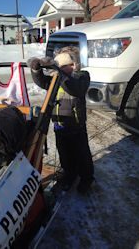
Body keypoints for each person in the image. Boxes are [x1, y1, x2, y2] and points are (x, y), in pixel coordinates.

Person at [28, 46, 94, 194]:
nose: (63, 69)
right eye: (60, 66)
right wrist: (36, 70)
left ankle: (86, 179)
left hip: (76, 126)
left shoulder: (82, 77)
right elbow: (42, 82)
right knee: (65, 154)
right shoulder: (57, 78)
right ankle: (69, 174)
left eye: (66, 66)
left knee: (82, 154)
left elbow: (75, 89)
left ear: (75, 65)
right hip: (59, 125)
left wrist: (59, 72)